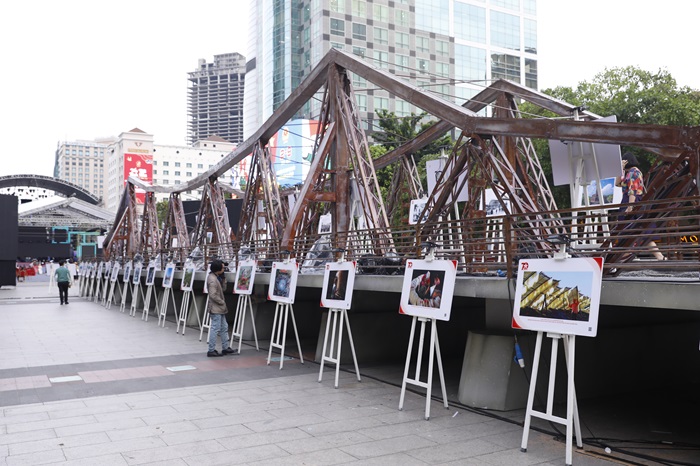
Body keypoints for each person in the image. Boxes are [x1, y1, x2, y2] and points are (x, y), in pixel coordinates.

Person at [618, 152, 665, 260]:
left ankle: (626, 255)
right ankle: (660, 257)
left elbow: (632, 191)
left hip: (632, 201)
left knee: (626, 229)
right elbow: (617, 183)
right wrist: (620, 169)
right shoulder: (630, 173)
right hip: (633, 202)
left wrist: (630, 207)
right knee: (644, 230)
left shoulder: (633, 172)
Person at [206, 260, 236, 357]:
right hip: (216, 308)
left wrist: (224, 280)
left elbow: (223, 289)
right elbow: (213, 295)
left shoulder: (216, 277)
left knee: (224, 327)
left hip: (219, 308)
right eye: (222, 268)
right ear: (217, 269)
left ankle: (225, 347)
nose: (224, 269)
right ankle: (211, 350)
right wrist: (222, 302)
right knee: (215, 328)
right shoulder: (212, 280)